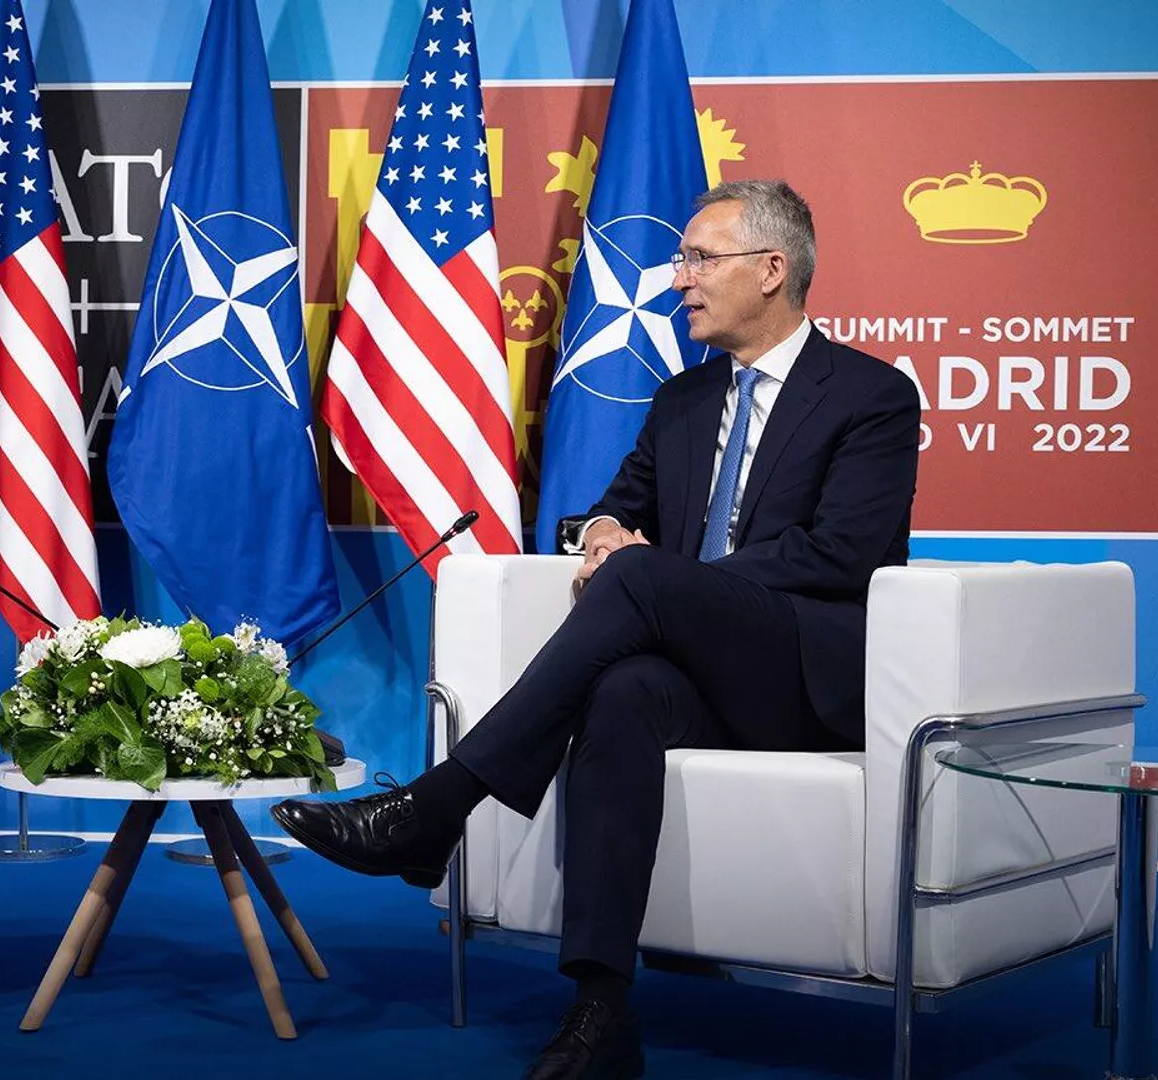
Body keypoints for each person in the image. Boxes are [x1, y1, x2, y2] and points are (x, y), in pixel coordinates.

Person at [274, 180, 921, 1080]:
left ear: (773, 270)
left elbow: (841, 556)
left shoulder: (871, 396)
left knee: (645, 582)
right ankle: (599, 1010)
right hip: (692, 674)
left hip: (804, 680)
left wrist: (666, 580)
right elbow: (611, 514)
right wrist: (610, 535)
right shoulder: (685, 403)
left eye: (701, 258)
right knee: (622, 695)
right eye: (682, 259)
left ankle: (438, 806)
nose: (679, 278)